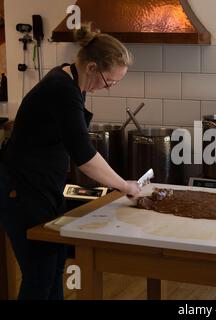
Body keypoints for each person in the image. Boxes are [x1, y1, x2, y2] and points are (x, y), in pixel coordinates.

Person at [0, 24, 141, 300]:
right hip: (21, 189)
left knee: (54, 268)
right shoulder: (61, 89)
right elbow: (84, 156)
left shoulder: (72, 80)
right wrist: (124, 185)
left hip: (44, 186)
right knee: (39, 275)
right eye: (108, 80)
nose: (108, 87)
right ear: (91, 67)